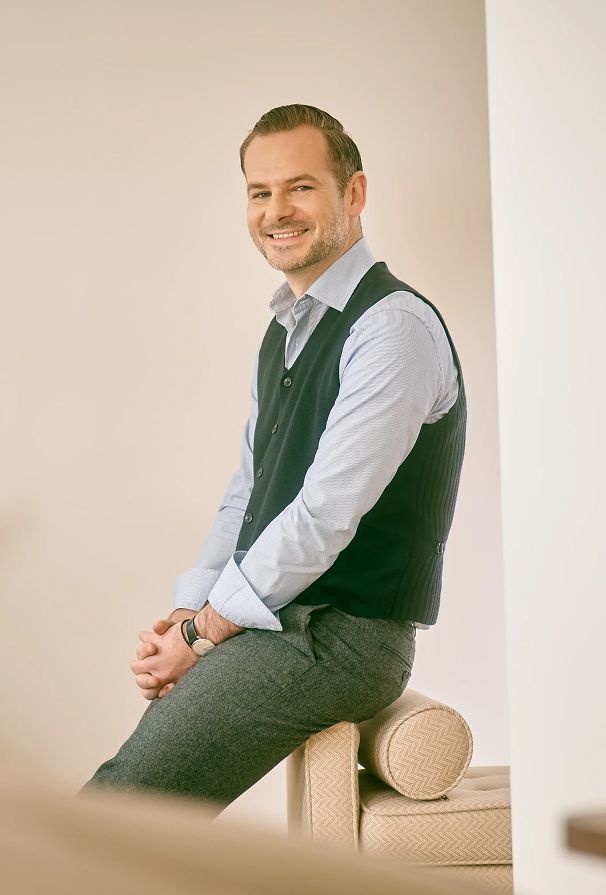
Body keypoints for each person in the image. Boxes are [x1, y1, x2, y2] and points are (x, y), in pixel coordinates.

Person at [78, 104, 466, 810]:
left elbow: (323, 514)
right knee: (130, 803)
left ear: (354, 193)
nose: (276, 210)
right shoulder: (285, 331)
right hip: (283, 617)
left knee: (120, 806)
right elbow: (249, 491)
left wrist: (199, 634)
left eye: (301, 187)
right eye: (260, 192)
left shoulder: (392, 328)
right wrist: (187, 608)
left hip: (343, 636)